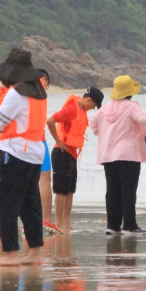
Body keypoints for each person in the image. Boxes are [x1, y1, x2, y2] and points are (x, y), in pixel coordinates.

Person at [0, 49, 49, 267]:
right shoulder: (40, 92)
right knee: (30, 202)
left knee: (5, 203)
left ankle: (10, 253)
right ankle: (35, 251)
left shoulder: (16, 93)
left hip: (14, 152)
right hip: (35, 152)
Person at [92, 75, 146, 236]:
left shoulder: (105, 107)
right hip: (128, 154)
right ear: (130, 92)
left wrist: (103, 134)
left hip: (108, 155)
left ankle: (113, 225)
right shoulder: (132, 107)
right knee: (128, 190)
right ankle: (129, 225)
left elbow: (93, 123)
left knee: (112, 190)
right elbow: (143, 120)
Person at [47, 85, 104, 233]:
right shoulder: (71, 109)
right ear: (89, 100)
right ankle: (59, 222)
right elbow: (50, 121)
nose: (92, 109)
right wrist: (58, 141)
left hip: (72, 154)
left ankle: (66, 221)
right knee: (61, 190)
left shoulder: (81, 109)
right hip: (61, 153)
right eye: (94, 106)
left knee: (70, 190)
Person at [36, 70, 59, 234]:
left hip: (19, 142)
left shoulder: (18, 90)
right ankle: (46, 219)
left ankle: (27, 221)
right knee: (44, 178)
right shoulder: (41, 93)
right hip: (39, 140)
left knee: (24, 180)